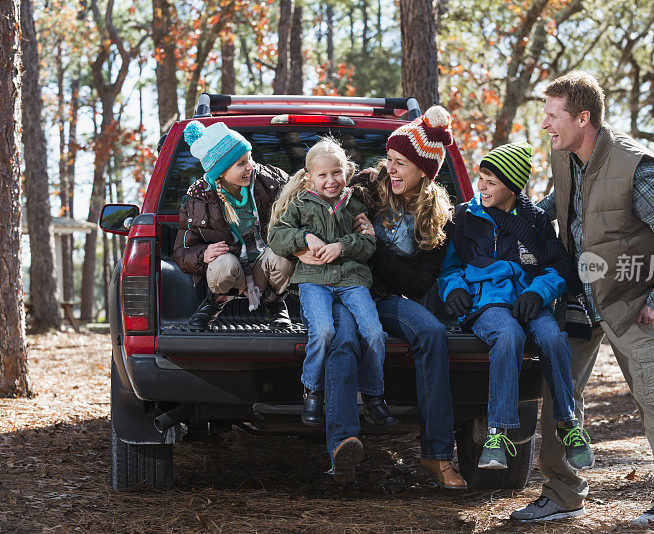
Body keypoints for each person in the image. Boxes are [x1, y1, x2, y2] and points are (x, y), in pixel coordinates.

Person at [510, 71, 654, 526]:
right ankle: (561, 493)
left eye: (553, 116)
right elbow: (557, 212)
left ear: (584, 117)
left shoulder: (636, 168)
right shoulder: (564, 157)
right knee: (560, 394)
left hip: (630, 301)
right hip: (578, 298)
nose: (545, 125)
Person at [316, 105, 468, 489]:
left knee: (432, 333)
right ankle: (342, 450)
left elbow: (416, 284)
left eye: (401, 163)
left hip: (383, 297)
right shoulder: (367, 187)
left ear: (424, 170)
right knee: (344, 339)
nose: (392, 169)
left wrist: (373, 244)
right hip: (343, 290)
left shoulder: (435, 217)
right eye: (390, 160)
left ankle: (437, 455)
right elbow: (321, 194)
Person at [438, 142, 594, 472]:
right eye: (480, 178)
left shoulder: (535, 221)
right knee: (508, 336)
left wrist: (538, 292)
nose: (481, 186)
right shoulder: (465, 217)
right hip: (485, 304)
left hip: (527, 303)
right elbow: (449, 267)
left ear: (512, 187)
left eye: (491, 182)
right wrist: (453, 289)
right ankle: (497, 432)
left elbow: (556, 268)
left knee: (553, 338)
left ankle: (568, 423)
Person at [267, 138, 393, 433]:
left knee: (374, 332)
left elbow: (367, 244)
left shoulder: (355, 204)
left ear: (346, 172)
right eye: (322, 175)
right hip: (314, 282)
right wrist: (304, 239)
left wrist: (342, 246)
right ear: (310, 177)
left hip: (352, 281)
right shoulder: (299, 204)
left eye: (336, 172)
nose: (331, 180)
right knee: (323, 330)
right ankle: (312, 390)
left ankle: (374, 394)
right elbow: (277, 237)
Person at [173, 121, 293, 329]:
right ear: (220, 171)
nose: (251, 166)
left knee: (282, 257)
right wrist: (203, 253)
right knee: (222, 265)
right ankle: (214, 303)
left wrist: (355, 179)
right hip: (233, 270)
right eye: (241, 163)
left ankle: (276, 305)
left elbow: (308, 190)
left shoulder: (270, 180)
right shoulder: (198, 200)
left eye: (250, 158)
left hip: (263, 266)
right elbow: (181, 251)